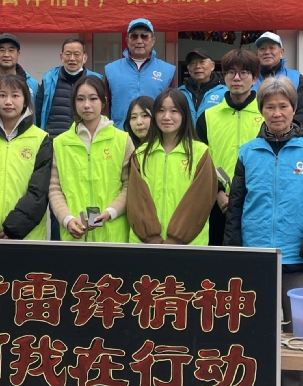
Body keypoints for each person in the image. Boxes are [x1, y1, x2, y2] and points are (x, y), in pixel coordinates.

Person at [224, 77, 303, 386]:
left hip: (296, 259)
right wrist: (234, 253)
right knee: (254, 333)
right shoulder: (247, 152)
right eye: (269, 106)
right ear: (261, 110)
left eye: (283, 106)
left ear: (293, 108)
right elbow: (235, 208)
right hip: (255, 258)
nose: (277, 113)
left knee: (294, 336)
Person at [128, 88, 217, 245]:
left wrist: (177, 238)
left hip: (188, 245)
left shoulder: (200, 153)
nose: (166, 117)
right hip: (145, 244)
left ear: (184, 114)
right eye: (161, 111)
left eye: (174, 111)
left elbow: (200, 201)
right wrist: (151, 236)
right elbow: (136, 200)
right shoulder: (140, 154)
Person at [50, 76, 134, 243]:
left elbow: (130, 185)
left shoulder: (122, 140)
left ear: (103, 102)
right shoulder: (60, 143)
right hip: (75, 235)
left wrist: (111, 212)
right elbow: (54, 188)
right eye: (80, 99)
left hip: (114, 234)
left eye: (93, 98)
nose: (86, 105)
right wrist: (67, 219)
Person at [0, 74, 52, 240]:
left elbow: (39, 190)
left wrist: (15, 227)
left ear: (26, 101)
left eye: (15, 95)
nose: (8, 101)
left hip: (28, 236)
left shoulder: (41, 138)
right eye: (2, 95)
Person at [196, 49, 264, 245]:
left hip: (258, 202)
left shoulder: (266, 115)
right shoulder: (208, 117)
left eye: (244, 72)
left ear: (255, 78)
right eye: (231, 72)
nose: (236, 78)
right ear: (223, 76)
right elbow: (199, 161)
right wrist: (217, 193)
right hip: (217, 204)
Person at [103, 18, 175, 126]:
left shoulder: (167, 71)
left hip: (155, 132)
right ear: (127, 41)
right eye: (134, 36)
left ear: (153, 41)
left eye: (144, 36)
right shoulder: (111, 70)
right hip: (120, 132)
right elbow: (104, 107)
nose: (139, 41)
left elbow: (172, 107)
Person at [36, 37, 102, 137]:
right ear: (61, 56)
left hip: (85, 139)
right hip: (54, 140)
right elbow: (38, 112)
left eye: (76, 54)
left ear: (85, 57)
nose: (72, 58)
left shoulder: (96, 81)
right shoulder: (49, 80)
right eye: (68, 54)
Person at [254, 32, 303, 131]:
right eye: (262, 48)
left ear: (281, 52)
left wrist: (288, 135)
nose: (267, 52)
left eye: (272, 48)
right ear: (257, 54)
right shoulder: (249, 79)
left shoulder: (297, 78)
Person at [180, 48, 226, 121]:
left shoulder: (225, 92)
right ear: (188, 69)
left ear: (212, 66)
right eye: (193, 63)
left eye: (202, 62)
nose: (197, 66)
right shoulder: (180, 93)